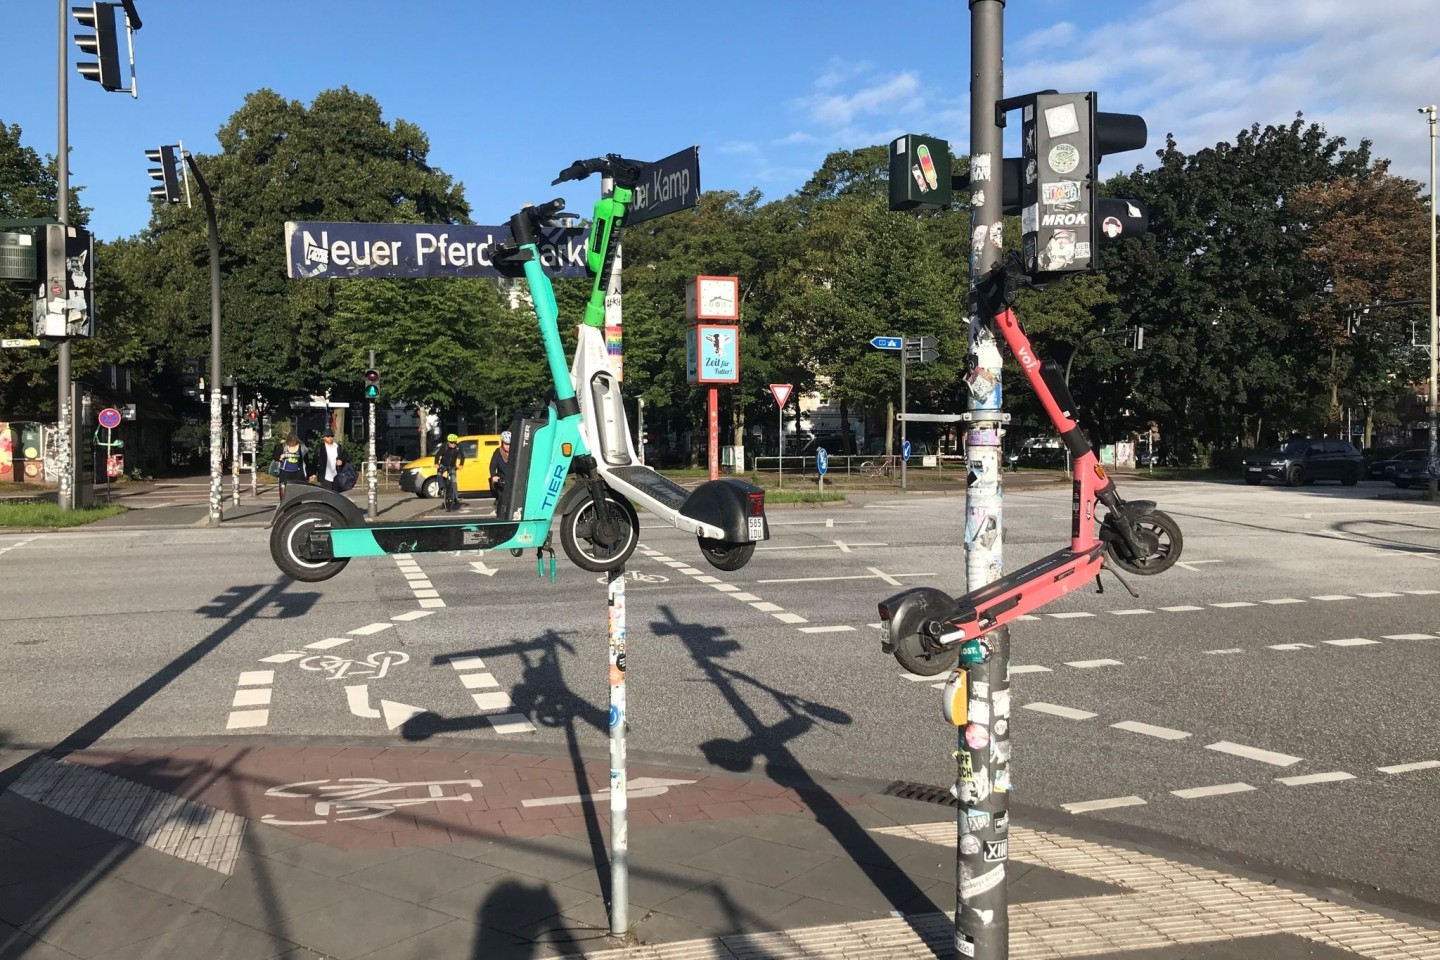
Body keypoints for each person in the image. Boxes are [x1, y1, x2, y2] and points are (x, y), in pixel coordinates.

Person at [272, 433, 309, 499]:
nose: (292, 443)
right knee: (284, 493)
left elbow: (306, 460)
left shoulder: (301, 447)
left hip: (297, 473)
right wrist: (280, 458)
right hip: (285, 473)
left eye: (294, 441)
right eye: (291, 441)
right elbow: (274, 456)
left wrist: (309, 473)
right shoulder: (283, 446)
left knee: (296, 494)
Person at [435, 433, 466, 510]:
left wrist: (461, 464)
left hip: (452, 466)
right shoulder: (444, 447)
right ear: (448, 442)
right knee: (439, 473)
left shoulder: (458, 448)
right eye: (451, 442)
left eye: (454, 442)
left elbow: (462, 456)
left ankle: (455, 498)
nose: (453, 444)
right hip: (443, 465)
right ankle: (441, 488)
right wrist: (436, 463)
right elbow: (437, 455)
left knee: (454, 481)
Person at [489, 430, 512, 513]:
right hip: (502, 478)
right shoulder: (498, 452)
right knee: (501, 497)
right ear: (502, 443)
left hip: (513, 478)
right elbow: (492, 465)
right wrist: (494, 475)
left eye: (510, 444)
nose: (508, 446)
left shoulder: (516, 452)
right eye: (506, 444)